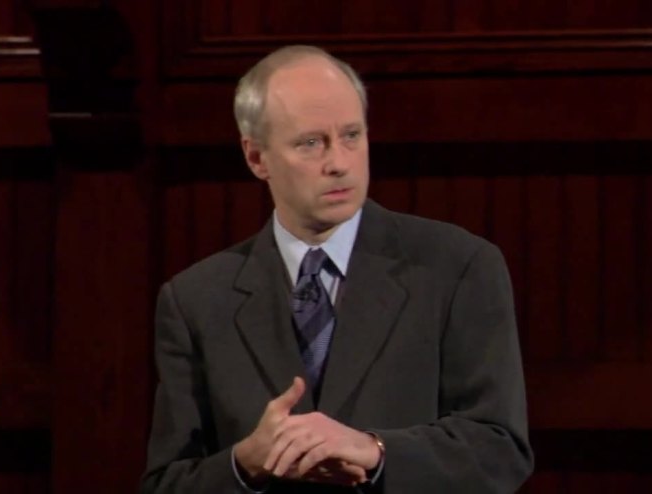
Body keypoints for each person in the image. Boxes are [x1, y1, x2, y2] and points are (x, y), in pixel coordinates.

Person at [141, 45, 533, 493]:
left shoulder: (457, 267)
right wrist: (247, 461)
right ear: (256, 158)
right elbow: (166, 484)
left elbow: (499, 449)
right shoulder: (196, 301)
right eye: (310, 143)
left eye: (351, 135)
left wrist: (374, 450)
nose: (339, 163)